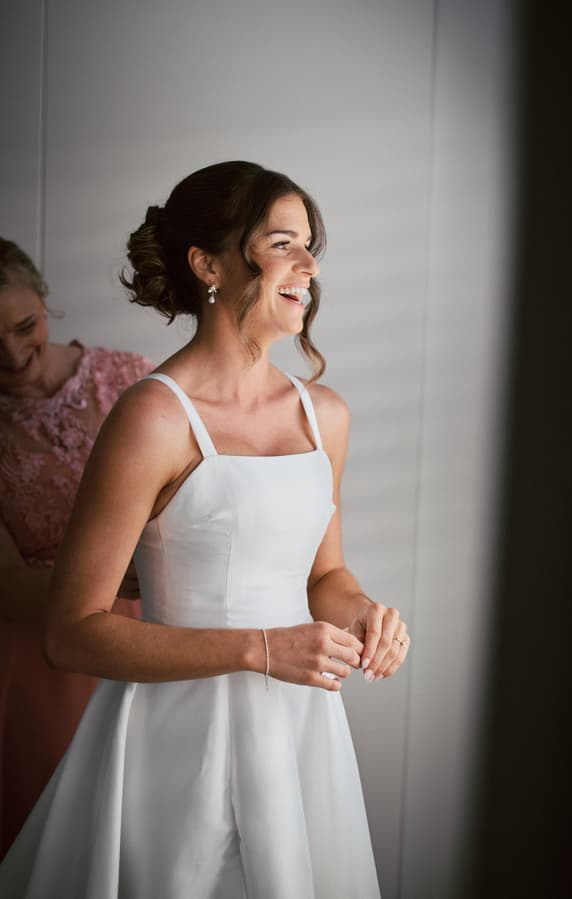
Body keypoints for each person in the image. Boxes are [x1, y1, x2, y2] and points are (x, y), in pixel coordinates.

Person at [0, 162, 410, 898]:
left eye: (310, 245)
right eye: (284, 242)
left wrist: (367, 616)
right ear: (208, 263)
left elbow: (323, 576)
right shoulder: (151, 416)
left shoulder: (328, 416)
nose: (310, 265)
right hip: (176, 743)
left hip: (299, 733)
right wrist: (260, 647)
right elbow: (70, 630)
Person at [0, 237, 154, 858]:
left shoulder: (133, 380)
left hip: (152, 635)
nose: (11, 356)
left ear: (44, 299)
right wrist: (121, 579)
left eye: (24, 326)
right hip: (37, 658)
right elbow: (4, 583)